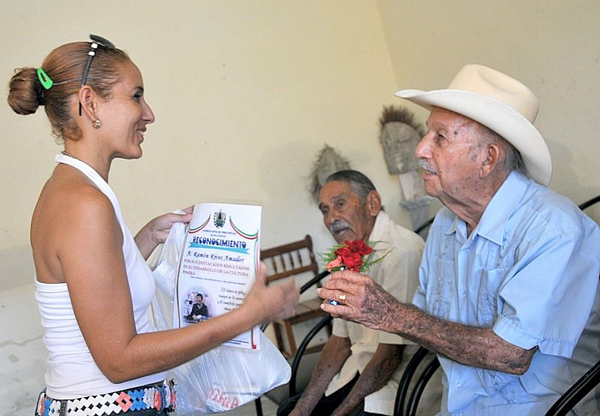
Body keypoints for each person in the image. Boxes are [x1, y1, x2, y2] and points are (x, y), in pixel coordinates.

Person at [8, 34, 299, 416]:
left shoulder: (70, 188)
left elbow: (89, 290)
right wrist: (246, 316)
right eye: (136, 96)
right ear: (90, 102)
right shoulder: (84, 204)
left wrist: (145, 239)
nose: (149, 113)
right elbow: (120, 361)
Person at [318, 64, 600, 415]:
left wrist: (389, 314)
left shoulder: (554, 228)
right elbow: (424, 318)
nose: (420, 149)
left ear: (488, 159)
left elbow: (511, 355)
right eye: (427, 134)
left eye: (440, 137)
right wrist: (368, 309)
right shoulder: (445, 224)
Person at [278, 170, 428, 416]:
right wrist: (303, 408)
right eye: (325, 210)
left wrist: (340, 413)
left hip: (398, 382)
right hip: (360, 370)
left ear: (372, 203)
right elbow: (340, 340)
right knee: (289, 410)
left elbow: (391, 355)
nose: (331, 219)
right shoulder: (347, 256)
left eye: (340, 204)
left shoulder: (402, 252)